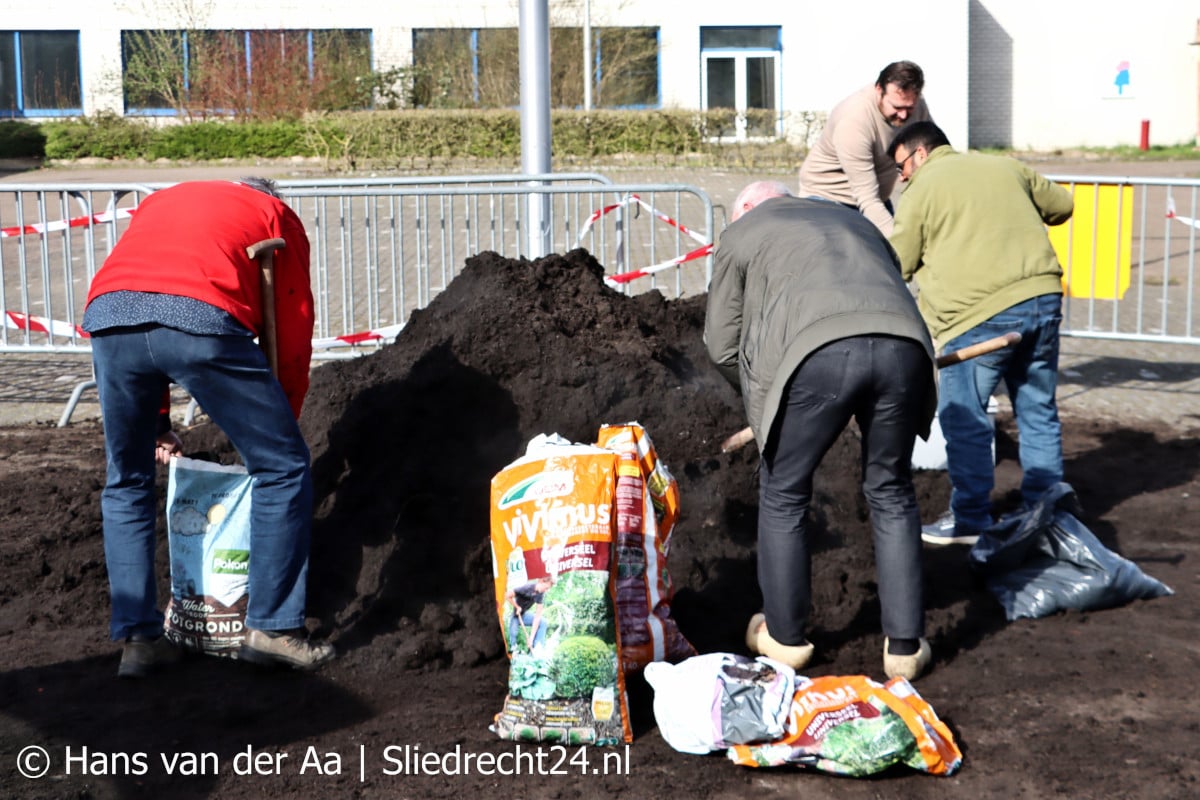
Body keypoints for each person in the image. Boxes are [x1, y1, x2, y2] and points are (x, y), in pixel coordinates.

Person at [83, 177, 335, 677]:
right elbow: (291, 319)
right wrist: (281, 415)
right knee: (282, 468)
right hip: (200, 315)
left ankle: (139, 642)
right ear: (271, 196)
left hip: (110, 315)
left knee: (127, 479)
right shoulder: (275, 215)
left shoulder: (161, 201)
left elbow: (146, 298)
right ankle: (274, 630)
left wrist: (158, 422)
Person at [705, 180, 939, 680]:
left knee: (785, 491)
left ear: (744, 210)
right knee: (891, 489)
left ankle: (785, 638)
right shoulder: (853, 220)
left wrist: (762, 396)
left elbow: (722, 346)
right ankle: (904, 648)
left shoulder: (743, 231)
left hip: (816, 356)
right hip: (906, 348)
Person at [887, 121, 1074, 545]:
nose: (901, 178)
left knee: (964, 417)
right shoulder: (1005, 167)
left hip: (976, 319)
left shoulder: (922, 189)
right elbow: (1062, 205)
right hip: (1041, 301)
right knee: (1037, 409)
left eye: (901, 167)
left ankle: (970, 519)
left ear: (920, 154)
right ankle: (1048, 512)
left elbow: (898, 261)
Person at [798, 60, 932, 236]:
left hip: (875, 198)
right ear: (879, 90)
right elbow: (867, 199)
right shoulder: (854, 120)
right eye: (897, 107)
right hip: (827, 201)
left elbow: (934, 152)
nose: (904, 115)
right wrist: (900, 247)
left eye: (909, 107)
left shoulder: (916, 106)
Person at [505, 576, 554, 652]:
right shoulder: (526, 588)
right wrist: (517, 607)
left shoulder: (540, 594)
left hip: (524, 615)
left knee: (543, 622)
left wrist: (531, 638)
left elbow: (537, 617)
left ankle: (538, 649)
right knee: (513, 634)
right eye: (546, 587)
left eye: (548, 589)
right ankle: (514, 650)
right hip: (516, 616)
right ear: (541, 581)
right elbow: (507, 595)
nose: (546, 590)